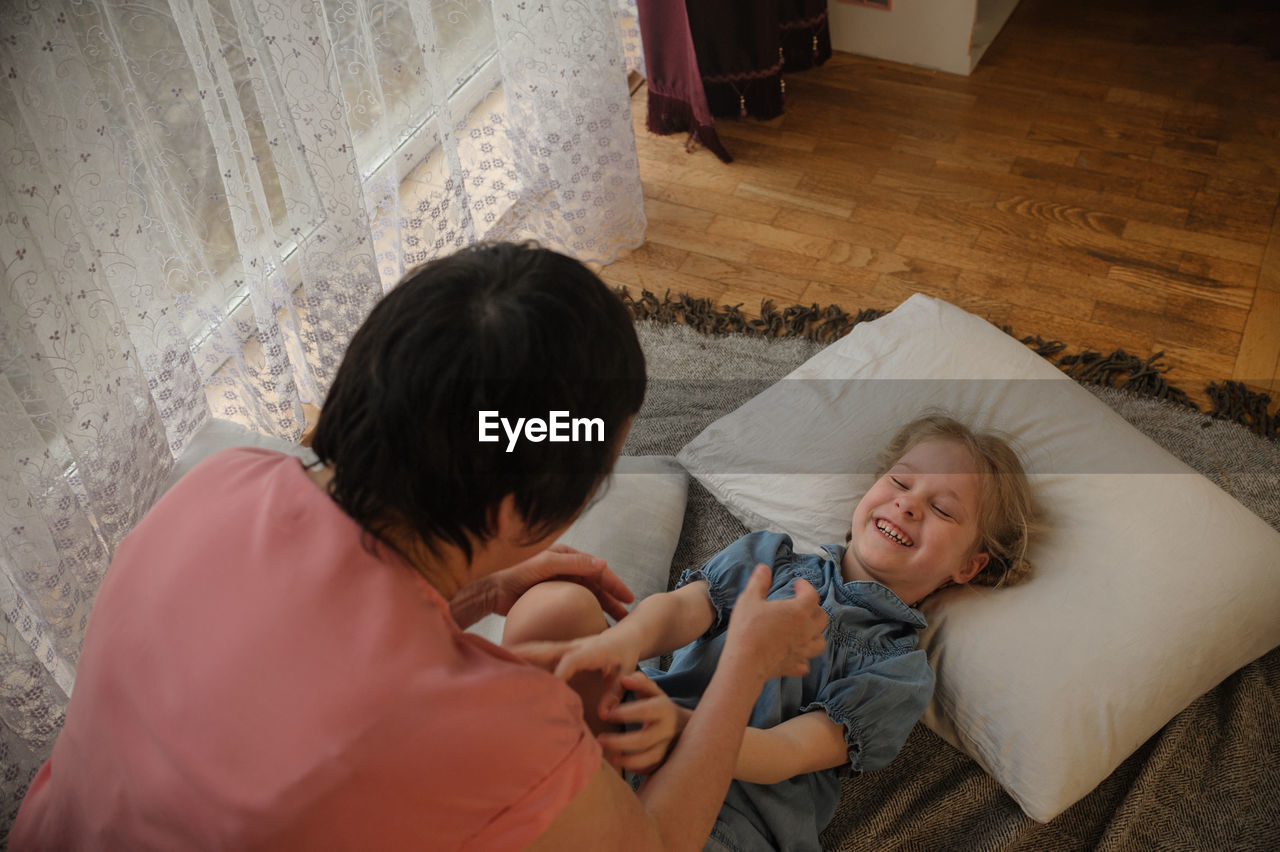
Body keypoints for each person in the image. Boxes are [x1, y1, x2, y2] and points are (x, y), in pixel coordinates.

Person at [9, 242, 828, 850]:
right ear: (514, 515)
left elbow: (303, 654)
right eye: (601, 462)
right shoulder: (504, 730)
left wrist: (483, 593)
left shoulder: (221, 481)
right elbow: (652, 844)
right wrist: (747, 664)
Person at [524, 414, 1033, 851]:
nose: (909, 504)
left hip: (726, 821)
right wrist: (622, 644)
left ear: (969, 566)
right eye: (900, 483)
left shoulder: (899, 673)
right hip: (633, 743)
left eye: (943, 510)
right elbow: (679, 612)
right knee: (558, 607)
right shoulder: (770, 560)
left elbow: (788, 754)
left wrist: (682, 726)